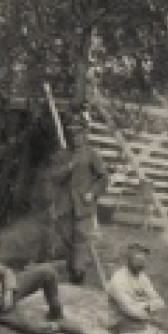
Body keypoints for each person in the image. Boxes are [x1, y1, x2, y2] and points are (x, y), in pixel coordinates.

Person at [50, 116, 109, 284]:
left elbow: (103, 178)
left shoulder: (92, 155)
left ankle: (78, 274)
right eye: (72, 133)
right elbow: (54, 177)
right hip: (65, 206)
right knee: (67, 240)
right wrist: (67, 168)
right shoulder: (62, 155)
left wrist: (93, 192)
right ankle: (73, 270)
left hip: (83, 206)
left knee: (82, 239)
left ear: (85, 134)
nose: (75, 137)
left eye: (78, 133)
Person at [107, 241, 167, 328]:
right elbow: (130, 310)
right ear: (129, 259)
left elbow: (160, 302)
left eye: (143, 259)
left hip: (140, 322)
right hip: (119, 324)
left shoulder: (142, 277)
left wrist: (145, 307)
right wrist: (148, 307)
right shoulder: (118, 279)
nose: (142, 262)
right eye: (137, 258)